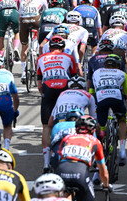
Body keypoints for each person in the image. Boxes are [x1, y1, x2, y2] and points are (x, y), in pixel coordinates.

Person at [37, 36, 78, 173]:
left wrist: (46, 96)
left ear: (49, 48)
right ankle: (69, 153)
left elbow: (39, 84)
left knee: (46, 127)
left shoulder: (41, 58)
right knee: (69, 121)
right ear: (62, 48)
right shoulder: (68, 57)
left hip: (48, 90)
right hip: (64, 89)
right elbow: (74, 79)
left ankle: (45, 163)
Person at [91, 54, 127, 165]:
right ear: (118, 66)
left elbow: (91, 93)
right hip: (117, 99)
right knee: (121, 120)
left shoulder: (96, 73)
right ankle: (122, 151)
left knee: (99, 126)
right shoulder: (122, 73)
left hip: (101, 100)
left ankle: (98, 152)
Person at [56, 115, 110, 201]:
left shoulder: (66, 138)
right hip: (80, 172)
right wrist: (106, 186)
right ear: (93, 130)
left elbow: (59, 159)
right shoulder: (95, 141)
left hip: (62, 170)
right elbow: (103, 172)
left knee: (66, 194)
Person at [19, 0, 48, 83]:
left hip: (24, 20)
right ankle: (38, 47)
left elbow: (20, 14)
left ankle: (23, 72)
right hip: (35, 19)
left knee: (24, 46)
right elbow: (46, 12)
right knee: (42, 26)